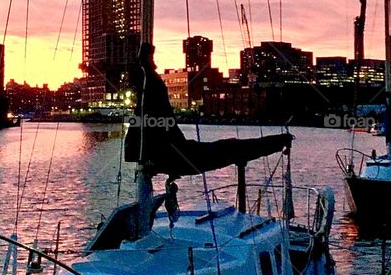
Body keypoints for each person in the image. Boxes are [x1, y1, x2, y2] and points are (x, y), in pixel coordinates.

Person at [125, 43, 293, 179]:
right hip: (165, 150)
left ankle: (277, 141)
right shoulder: (151, 83)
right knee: (230, 147)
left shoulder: (151, 85)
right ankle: (279, 141)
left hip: (161, 150)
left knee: (230, 147)